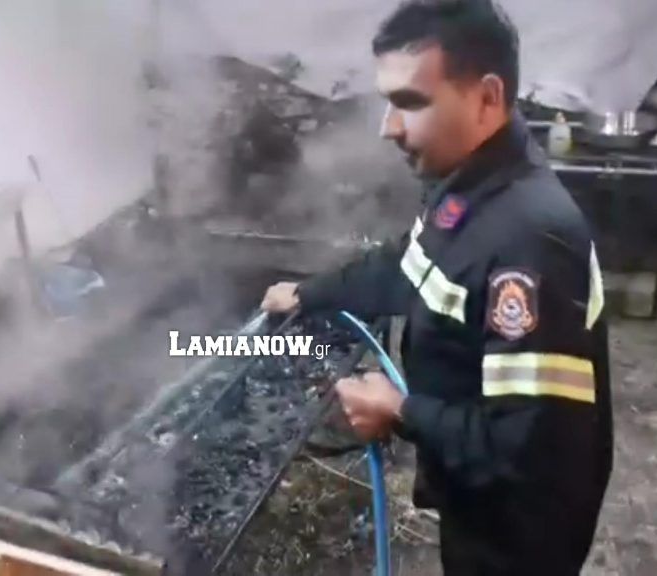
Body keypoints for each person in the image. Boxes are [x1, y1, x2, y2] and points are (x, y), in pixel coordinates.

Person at [260, 1, 614, 574]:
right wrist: (310, 294)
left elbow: (529, 449)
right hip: (473, 496)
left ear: (487, 97)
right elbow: (408, 263)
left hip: (517, 534)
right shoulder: (471, 189)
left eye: (410, 102)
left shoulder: (530, 240)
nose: (388, 127)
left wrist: (398, 410)